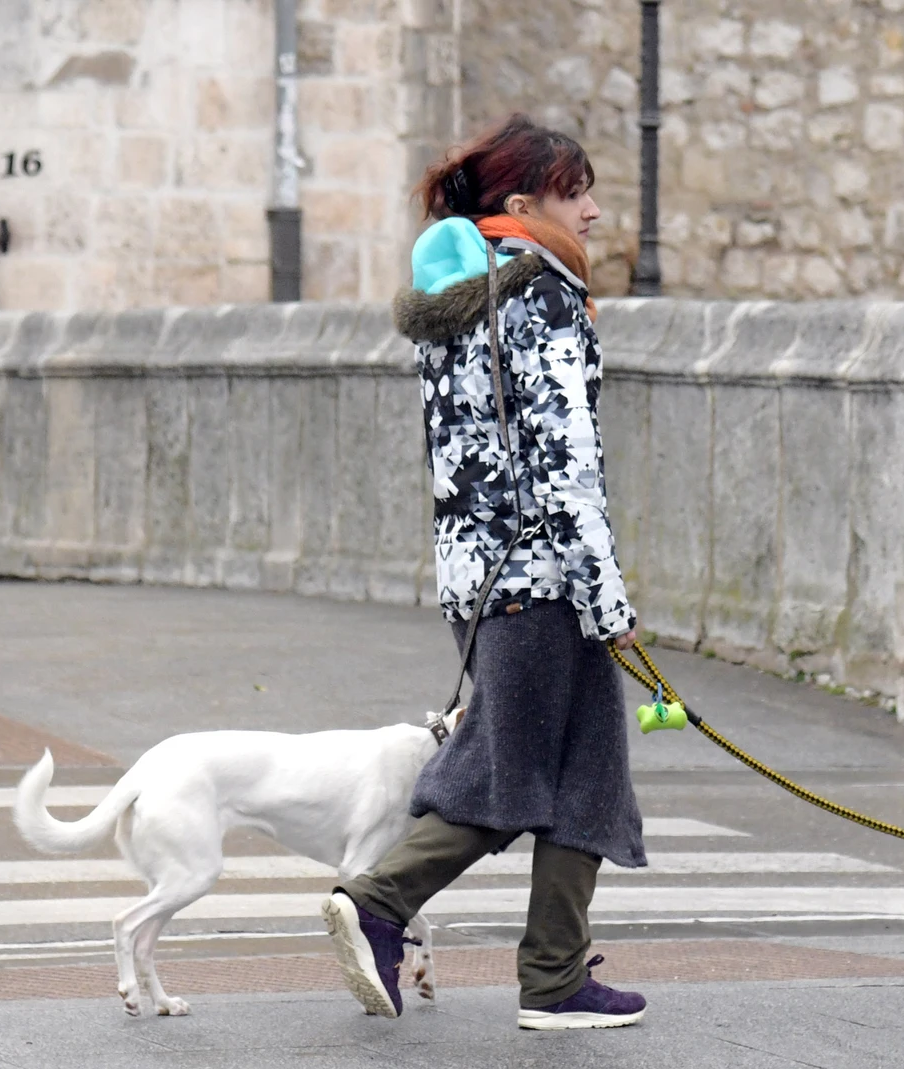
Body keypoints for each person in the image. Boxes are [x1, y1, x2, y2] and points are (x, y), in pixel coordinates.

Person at [320, 114, 648, 1031]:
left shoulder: (461, 306)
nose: (593, 210)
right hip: (545, 579)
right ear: (520, 204)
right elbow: (564, 463)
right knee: (515, 772)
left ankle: (554, 973)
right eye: (575, 191)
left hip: (483, 578)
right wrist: (606, 592)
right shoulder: (541, 300)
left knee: (580, 768)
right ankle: (383, 900)